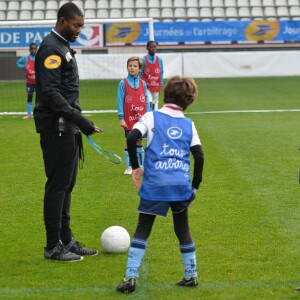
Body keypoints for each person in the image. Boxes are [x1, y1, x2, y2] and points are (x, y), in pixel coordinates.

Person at [116, 76, 204, 293]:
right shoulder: (188, 123)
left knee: (143, 228)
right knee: (182, 228)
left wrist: (136, 167)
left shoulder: (151, 117)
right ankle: (191, 275)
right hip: (180, 185)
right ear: (189, 100)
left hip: (155, 184)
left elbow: (131, 137)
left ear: (166, 94)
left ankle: (130, 278)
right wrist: (194, 187)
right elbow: (199, 156)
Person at [34, 2, 101, 262]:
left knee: (67, 184)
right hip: (57, 127)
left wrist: (77, 121)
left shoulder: (62, 46)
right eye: (76, 26)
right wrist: (80, 120)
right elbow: (51, 94)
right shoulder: (51, 47)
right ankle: (53, 245)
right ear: (63, 21)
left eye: (81, 26)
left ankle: (66, 239)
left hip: (68, 125)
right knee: (58, 185)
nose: (79, 31)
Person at [117, 56, 151, 175]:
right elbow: (120, 101)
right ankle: (129, 166)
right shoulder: (123, 83)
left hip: (141, 119)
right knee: (129, 141)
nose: (132, 68)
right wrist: (121, 118)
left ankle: (139, 165)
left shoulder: (143, 84)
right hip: (129, 119)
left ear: (139, 69)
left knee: (139, 141)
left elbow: (146, 100)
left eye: (135, 66)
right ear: (127, 67)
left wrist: (148, 115)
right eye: (130, 66)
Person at [140, 40, 164, 111]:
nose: (153, 48)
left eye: (155, 47)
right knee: (149, 101)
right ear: (147, 48)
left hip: (156, 85)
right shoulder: (143, 60)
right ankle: (149, 115)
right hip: (146, 86)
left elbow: (161, 72)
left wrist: (161, 83)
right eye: (151, 47)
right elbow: (140, 72)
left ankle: (153, 117)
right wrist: (139, 83)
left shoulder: (159, 60)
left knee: (155, 103)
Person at [16, 42, 38, 119]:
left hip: (38, 82)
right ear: (29, 49)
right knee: (29, 98)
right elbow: (18, 63)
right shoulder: (25, 58)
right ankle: (29, 114)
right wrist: (24, 66)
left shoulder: (39, 58)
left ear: (37, 49)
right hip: (30, 82)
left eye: (34, 48)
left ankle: (38, 114)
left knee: (39, 99)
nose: (33, 50)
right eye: (32, 49)